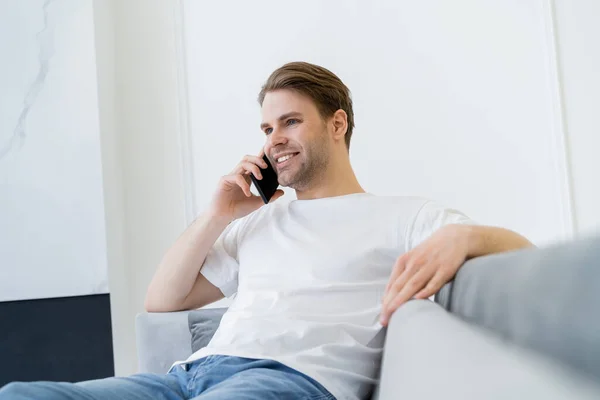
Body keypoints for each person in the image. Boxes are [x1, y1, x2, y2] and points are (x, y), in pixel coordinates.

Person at [0, 62, 533, 400]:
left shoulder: (404, 215)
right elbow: (163, 300)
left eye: (290, 121)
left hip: (294, 380)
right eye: (266, 128)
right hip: (189, 378)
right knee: (21, 394)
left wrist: (467, 237)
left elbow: (520, 249)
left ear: (338, 124)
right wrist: (217, 215)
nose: (274, 138)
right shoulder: (257, 223)